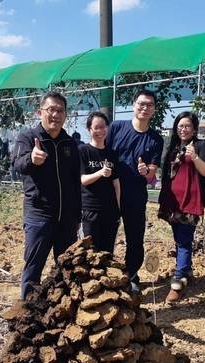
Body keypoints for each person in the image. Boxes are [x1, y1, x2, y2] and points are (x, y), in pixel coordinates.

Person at [13, 91, 81, 300]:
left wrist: (77, 216)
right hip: (39, 216)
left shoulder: (69, 143)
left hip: (66, 218)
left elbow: (75, 182)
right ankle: (28, 315)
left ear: (65, 115)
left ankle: (61, 311)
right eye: (51, 109)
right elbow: (16, 165)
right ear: (39, 112)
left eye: (60, 111)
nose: (56, 115)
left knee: (66, 267)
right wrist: (32, 159)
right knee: (34, 266)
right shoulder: (28, 138)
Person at [106, 89, 164, 293]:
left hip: (136, 195)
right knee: (106, 235)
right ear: (134, 105)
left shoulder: (156, 139)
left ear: (154, 110)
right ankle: (103, 275)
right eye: (141, 103)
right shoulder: (116, 127)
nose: (144, 108)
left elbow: (151, 175)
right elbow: (102, 152)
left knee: (135, 237)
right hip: (110, 192)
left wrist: (146, 171)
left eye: (149, 105)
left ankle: (131, 275)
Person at [158, 112, 205, 302]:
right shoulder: (172, 147)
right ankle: (187, 270)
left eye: (188, 126)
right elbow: (166, 173)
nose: (184, 129)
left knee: (184, 239)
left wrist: (195, 157)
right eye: (180, 126)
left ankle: (179, 279)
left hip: (190, 200)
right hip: (172, 200)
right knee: (179, 238)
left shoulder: (201, 146)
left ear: (195, 129)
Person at [79, 111, 120, 253]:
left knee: (107, 252)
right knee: (90, 252)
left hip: (110, 211)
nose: (100, 131)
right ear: (89, 129)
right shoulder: (83, 150)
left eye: (103, 127)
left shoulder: (112, 153)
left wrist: (118, 209)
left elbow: (116, 184)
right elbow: (83, 180)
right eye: (96, 127)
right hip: (90, 210)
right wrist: (100, 172)